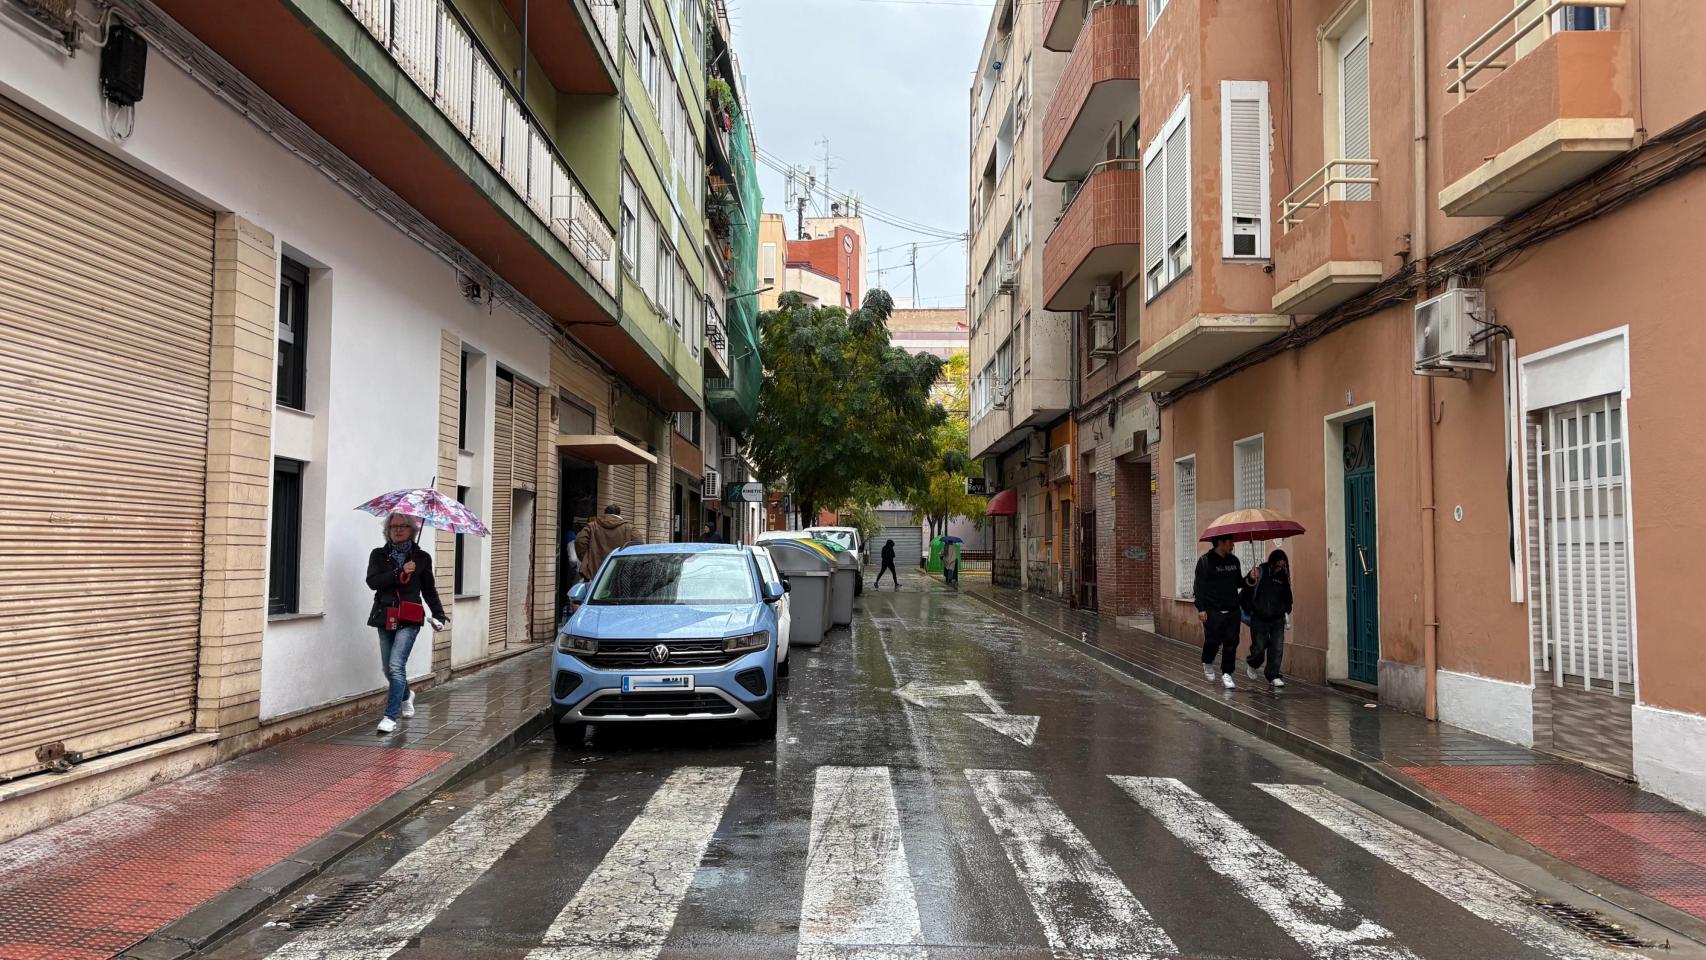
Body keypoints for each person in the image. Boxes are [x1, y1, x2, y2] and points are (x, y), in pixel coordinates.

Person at [365, 513, 446, 734]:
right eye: (394, 526)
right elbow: (373, 582)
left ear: (412, 530)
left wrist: (439, 615)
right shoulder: (379, 554)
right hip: (385, 615)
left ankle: (390, 717)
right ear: (388, 530)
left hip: (410, 618)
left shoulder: (422, 558)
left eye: (403, 526)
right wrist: (399, 572)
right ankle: (407, 694)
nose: (398, 530)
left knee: (395, 665)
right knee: (388, 668)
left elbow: (428, 589)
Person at [1193, 535, 1244, 690]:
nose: (1233, 545)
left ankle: (1227, 673)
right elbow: (1199, 587)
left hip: (1232, 609)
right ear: (1220, 543)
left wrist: (1251, 578)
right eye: (1230, 542)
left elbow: (1239, 582)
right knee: (1213, 640)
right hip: (1212, 609)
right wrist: (1201, 608)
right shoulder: (1205, 561)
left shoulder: (1234, 561)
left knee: (1232, 641)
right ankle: (1207, 661)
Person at [1243, 548, 1293, 687]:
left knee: (1277, 648)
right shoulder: (1260, 572)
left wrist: (1286, 610)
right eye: (1277, 566)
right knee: (1259, 647)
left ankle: (1273, 675)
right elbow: (1246, 589)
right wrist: (1250, 578)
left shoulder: (1283, 577)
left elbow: (1288, 597)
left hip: (1277, 618)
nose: (1279, 569)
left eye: (1282, 566)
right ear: (1271, 562)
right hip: (1259, 617)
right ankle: (1253, 663)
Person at [576, 504, 635, 583]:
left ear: (605, 513)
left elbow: (579, 542)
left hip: (595, 573)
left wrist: (588, 559)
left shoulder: (591, 526)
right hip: (621, 574)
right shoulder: (630, 528)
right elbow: (638, 546)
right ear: (619, 514)